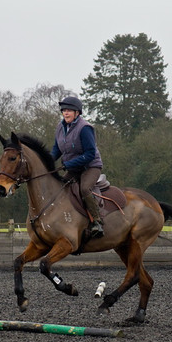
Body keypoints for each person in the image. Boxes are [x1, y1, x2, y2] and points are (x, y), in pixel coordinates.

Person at [51, 96, 104, 238]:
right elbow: (56, 149)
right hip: (73, 168)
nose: (66, 113)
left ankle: (97, 222)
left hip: (90, 167)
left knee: (84, 188)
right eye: (64, 111)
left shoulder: (85, 128)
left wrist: (68, 164)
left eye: (69, 110)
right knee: (61, 188)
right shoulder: (60, 128)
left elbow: (90, 154)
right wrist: (47, 162)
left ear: (77, 113)